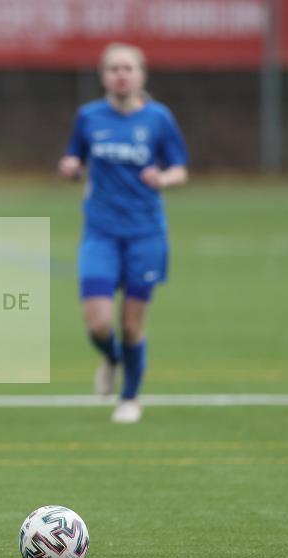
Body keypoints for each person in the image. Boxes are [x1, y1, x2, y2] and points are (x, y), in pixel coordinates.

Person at [58, 43, 189, 424]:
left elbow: (180, 168)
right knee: (98, 323)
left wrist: (162, 177)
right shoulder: (89, 116)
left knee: (132, 324)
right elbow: (76, 158)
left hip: (145, 235)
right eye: (114, 68)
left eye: (128, 68)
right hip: (100, 234)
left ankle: (130, 397)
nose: (121, 74)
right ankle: (113, 358)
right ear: (103, 76)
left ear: (141, 75)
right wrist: (70, 166)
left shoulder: (159, 118)